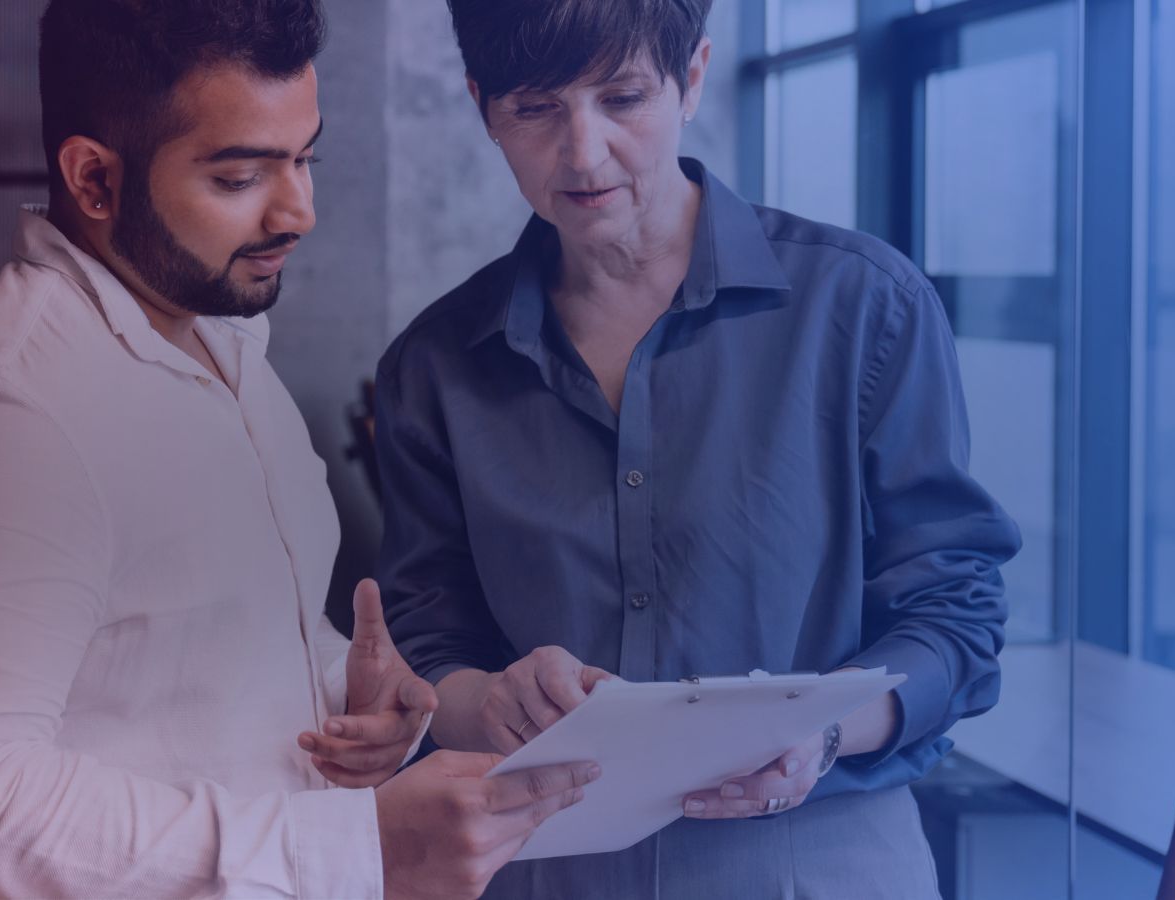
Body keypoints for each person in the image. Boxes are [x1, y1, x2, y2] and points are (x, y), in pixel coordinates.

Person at [0, 1, 599, 897]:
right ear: (94, 180)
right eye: (241, 177)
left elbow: (177, 654)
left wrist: (340, 688)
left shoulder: (224, 344)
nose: (300, 211)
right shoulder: (1, 410)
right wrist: (356, 847)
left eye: (305, 159)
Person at [371, 0, 1023, 896]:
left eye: (623, 98)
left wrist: (825, 732)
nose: (584, 153)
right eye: (535, 108)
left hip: (818, 865)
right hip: (547, 872)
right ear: (483, 105)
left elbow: (955, 614)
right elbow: (424, 638)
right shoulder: (433, 364)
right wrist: (485, 701)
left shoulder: (867, 308)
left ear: (693, 78)